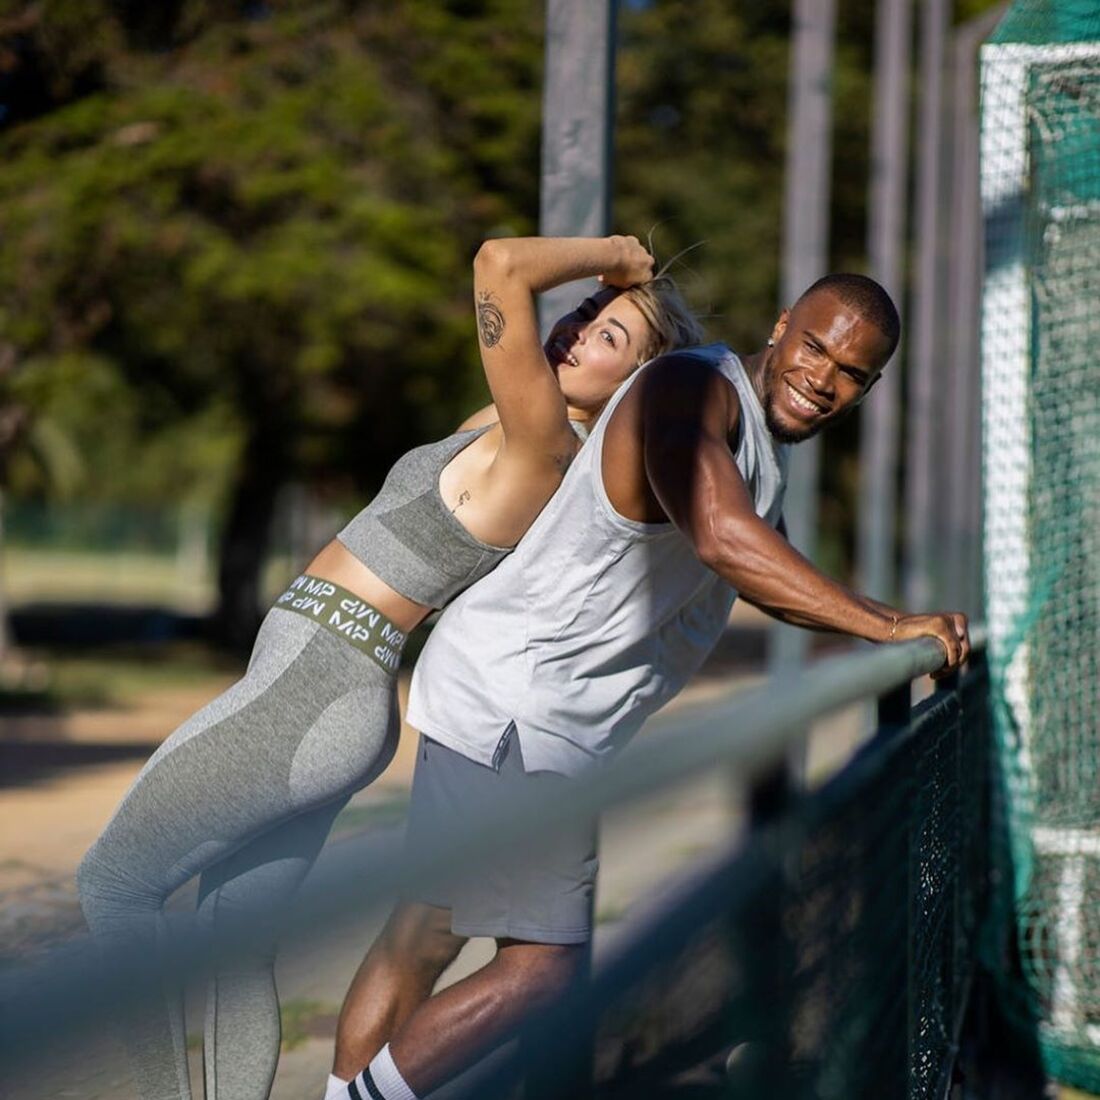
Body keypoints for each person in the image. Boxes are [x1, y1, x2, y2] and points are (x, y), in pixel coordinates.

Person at [75, 234, 706, 1100]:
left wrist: (619, 259)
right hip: (328, 690)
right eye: (588, 313)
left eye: (611, 337)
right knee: (232, 942)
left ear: (633, 384)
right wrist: (617, 301)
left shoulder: (544, 442)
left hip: (312, 688)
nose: (580, 329)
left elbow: (498, 264)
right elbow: (513, 302)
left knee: (113, 886)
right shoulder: (514, 421)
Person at [331, 273, 971, 1100]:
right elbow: (722, 538)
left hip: (503, 693)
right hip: (522, 711)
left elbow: (770, 578)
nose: (824, 380)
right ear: (781, 326)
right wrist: (890, 629)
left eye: (853, 374)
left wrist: (901, 621)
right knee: (547, 973)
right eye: (815, 347)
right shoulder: (689, 390)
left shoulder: (752, 440)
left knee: (420, 938)